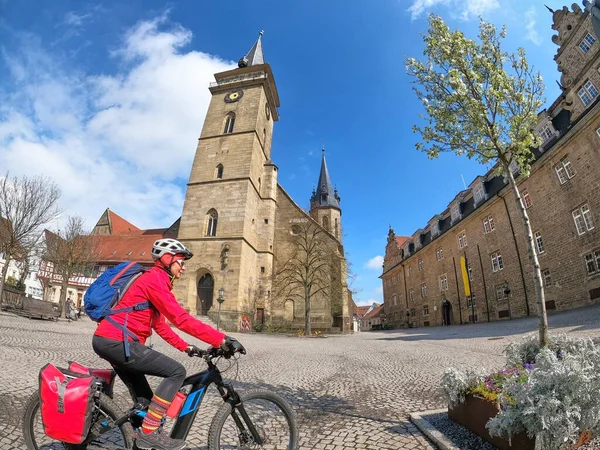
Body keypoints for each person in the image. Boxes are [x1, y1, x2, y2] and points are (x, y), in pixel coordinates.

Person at [92, 238, 244, 450]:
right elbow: (180, 319)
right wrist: (221, 339)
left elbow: (160, 325)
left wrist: (187, 347)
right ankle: (149, 433)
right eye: (181, 262)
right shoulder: (155, 280)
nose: (183, 267)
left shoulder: (154, 281)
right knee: (176, 372)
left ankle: (142, 437)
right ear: (167, 259)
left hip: (114, 342)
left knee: (144, 404)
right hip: (117, 342)